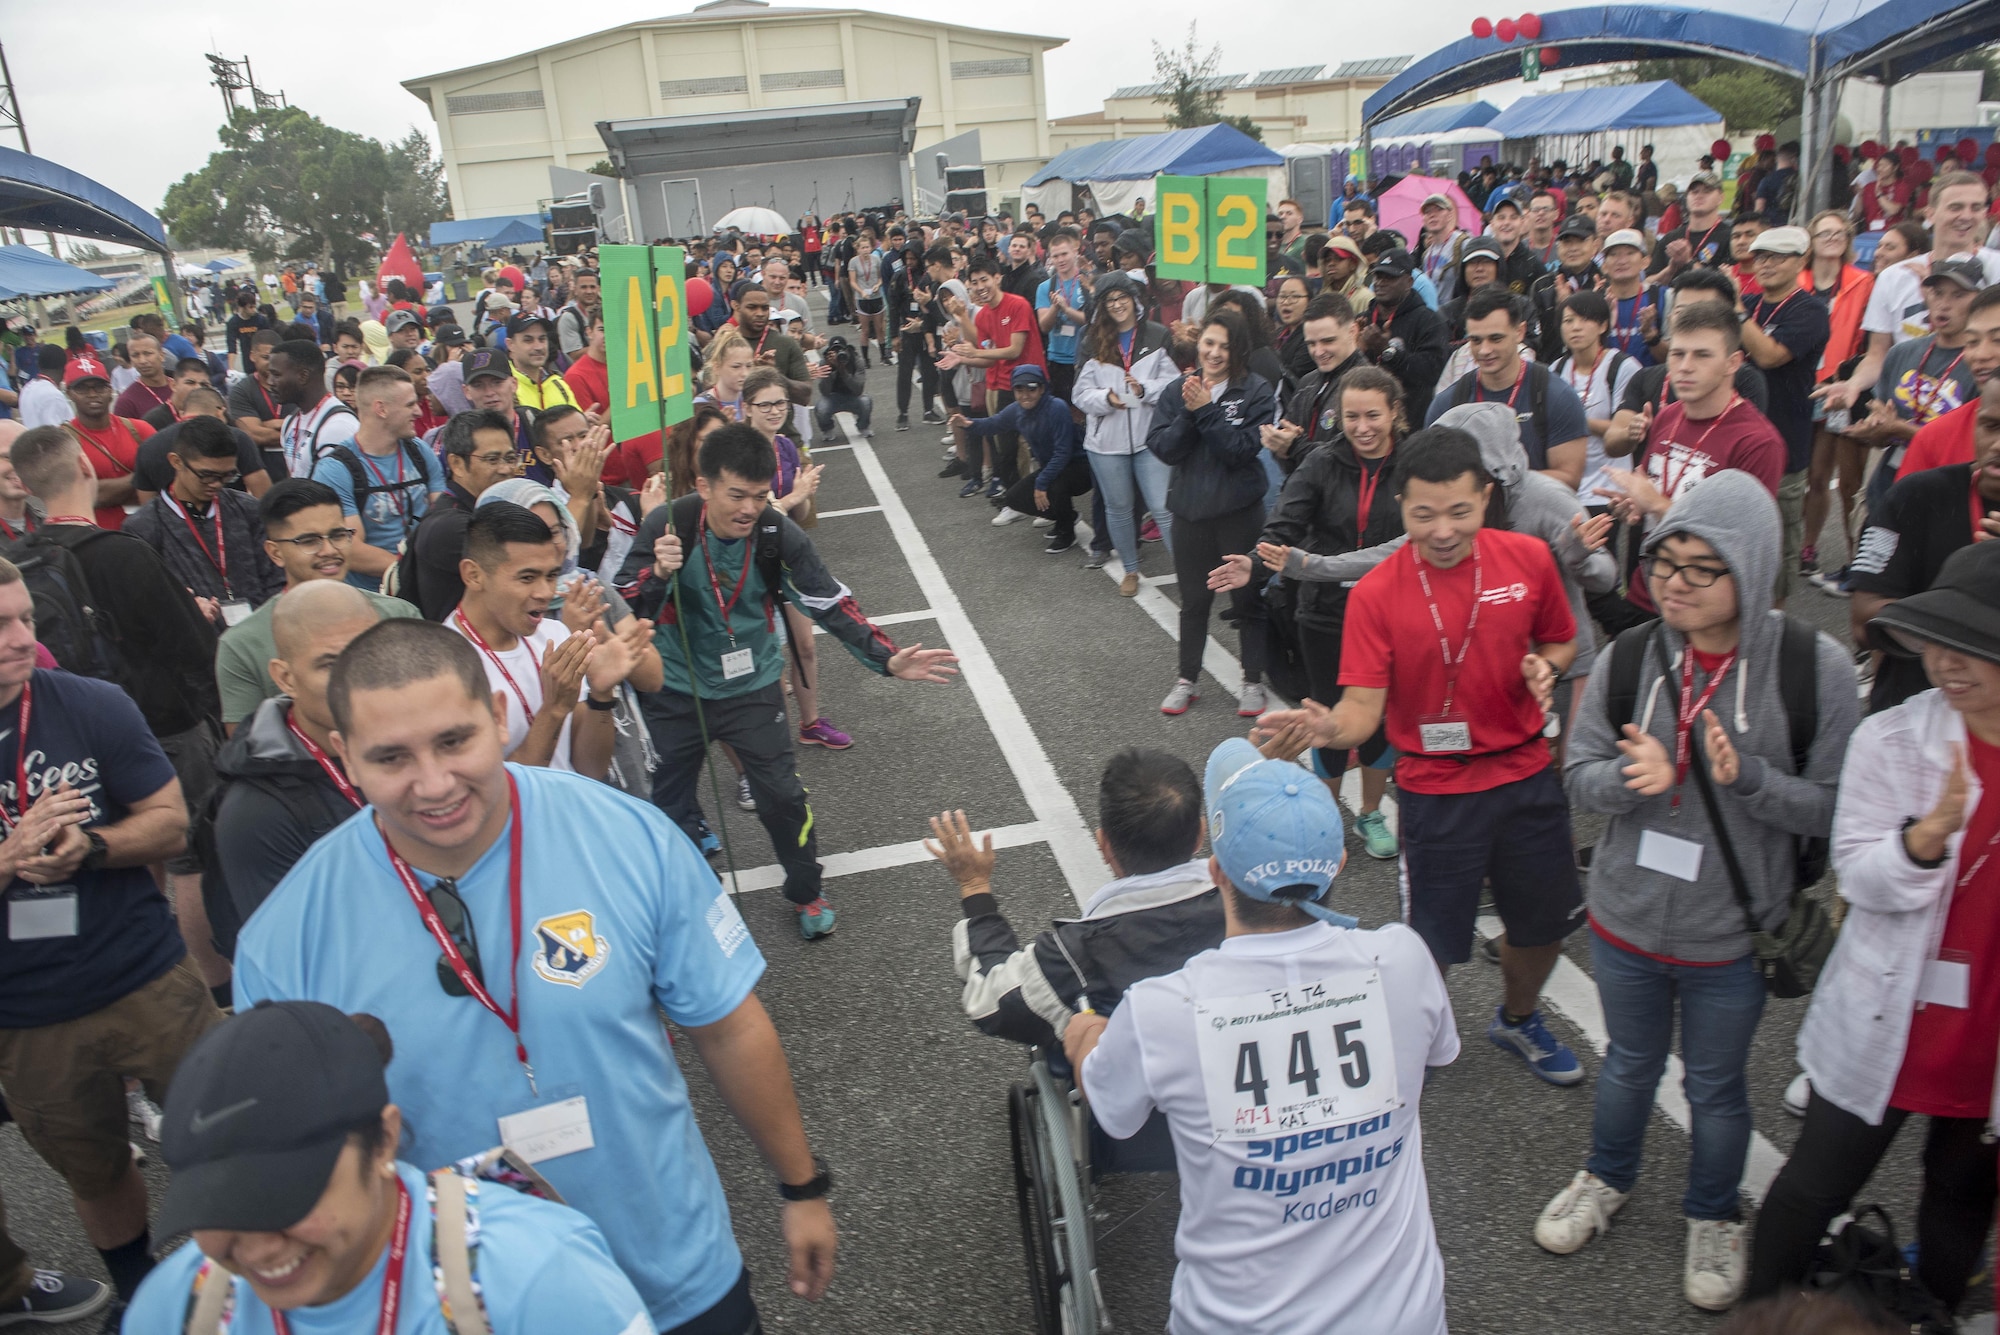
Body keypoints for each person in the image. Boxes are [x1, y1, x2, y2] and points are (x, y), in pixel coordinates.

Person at [230, 616, 836, 1332]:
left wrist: (802, 1184)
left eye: (455, 740)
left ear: (495, 715)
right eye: (392, 757)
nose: (433, 784)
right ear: (345, 755)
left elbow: (728, 1026)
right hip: (464, 1303)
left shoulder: (628, 834)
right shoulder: (288, 934)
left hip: (675, 1274)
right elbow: (295, 1149)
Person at [1539, 471, 1854, 1311]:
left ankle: (1713, 1213)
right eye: (1665, 560)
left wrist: (1748, 777)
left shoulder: (1809, 667)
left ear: (1749, 570)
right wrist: (1630, 782)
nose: (1673, 581)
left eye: (1700, 567)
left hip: (1734, 931)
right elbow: (1578, 774)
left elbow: (1833, 804)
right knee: (1629, 1064)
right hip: (1626, 917)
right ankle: (1605, 1177)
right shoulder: (1633, 654)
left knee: (1717, 1086)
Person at [1064, 736, 1458, 1335]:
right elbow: (1437, 1054)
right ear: (1339, 863)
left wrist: (1085, 1034)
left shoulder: (1162, 1011)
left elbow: (1112, 1110)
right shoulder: (1403, 961)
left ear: (1214, 870)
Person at [1256, 427, 1587, 1086]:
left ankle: (1518, 1018)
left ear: (1486, 499)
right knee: (1432, 937)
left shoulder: (1528, 559)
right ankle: (1419, 1032)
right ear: (1401, 505)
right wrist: (1326, 728)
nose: (1442, 530)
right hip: (1436, 786)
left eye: (1460, 512)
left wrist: (1545, 668)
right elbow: (1362, 711)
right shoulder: (1378, 593)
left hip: (1525, 773)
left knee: (1544, 922)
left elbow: (1561, 641)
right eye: (1423, 514)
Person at [1748, 539, 2000, 1317]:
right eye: (1935, 642)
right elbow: (1856, 873)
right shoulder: (1892, 737)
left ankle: (1930, 1312)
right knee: (1811, 1188)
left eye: (1974, 647)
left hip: (1985, 1028)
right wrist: (1927, 837)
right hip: (1891, 1016)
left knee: (1959, 1200)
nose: (1946, 663)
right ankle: (1764, 1318)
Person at [123, 1000, 654, 1335]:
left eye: (288, 1198)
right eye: (221, 1206)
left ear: (383, 1143)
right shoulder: (175, 1310)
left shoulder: (543, 1280)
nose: (258, 1248)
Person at [619, 425, 958, 937]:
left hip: (753, 686)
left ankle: (806, 891)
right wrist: (659, 575)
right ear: (703, 485)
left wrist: (886, 659)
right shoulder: (668, 525)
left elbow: (830, 600)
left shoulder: (777, 532)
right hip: (673, 689)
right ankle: (681, 899)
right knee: (666, 804)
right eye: (736, 495)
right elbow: (623, 609)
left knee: (782, 797)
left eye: (759, 496)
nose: (749, 509)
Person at [0, 553, 222, 1311]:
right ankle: (140, 1298)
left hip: (147, 977)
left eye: (26, 617)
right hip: (26, 1013)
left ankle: (247, 1282)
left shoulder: (91, 703)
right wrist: (11, 857)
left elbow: (167, 821)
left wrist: (93, 846)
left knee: (222, 1132)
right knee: (92, 1168)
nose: (21, 637)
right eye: (0, 624)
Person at [10, 424, 231, 996]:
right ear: (87, 466)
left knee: (110, 851)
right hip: (163, 728)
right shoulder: (125, 552)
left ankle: (122, 975)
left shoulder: (19, 560)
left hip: (63, 737)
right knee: (187, 858)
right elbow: (194, 651)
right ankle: (205, 986)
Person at [1213, 365, 1409, 859]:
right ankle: (1326, 818)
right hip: (1324, 612)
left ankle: (1368, 812)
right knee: (1327, 714)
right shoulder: (1321, 462)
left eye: (1373, 416)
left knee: (1380, 718)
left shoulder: (1413, 462)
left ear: (1395, 413)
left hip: (1392, 613)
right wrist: (1254, 563)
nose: (1362, 427)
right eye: (1351, 417)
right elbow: (1284, 525)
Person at [933, 748, 1223, 1044]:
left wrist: (974, 886)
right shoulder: (1251, 906)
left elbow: (988, 998)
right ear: (1201, 833)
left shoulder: (1074, 953)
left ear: (1103, 845)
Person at [1600, 301, 1788, 616]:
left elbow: (1741, 544)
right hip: (1647, 589)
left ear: (1733, 363)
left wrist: (1657, 505)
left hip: (1704, 609)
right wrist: (1632, 504)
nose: (1685, 366)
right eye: (1677, 353)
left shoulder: (1758, 442)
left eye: (1702, 355)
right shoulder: (1669, 415)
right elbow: (1654, 487)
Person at [448, 502, 656, 780]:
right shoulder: (444, 666)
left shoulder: (556, 634)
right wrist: (554, 709)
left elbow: (590, 770)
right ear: (473, 575)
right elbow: (499, 789)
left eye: (551, 575)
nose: (546, 592)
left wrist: (601, 695)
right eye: (527, 577)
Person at [1146, 310, 1279, 717]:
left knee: (1247, 598)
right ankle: (1187, 679)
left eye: (1224, 345)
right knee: (1194, 601)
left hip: (1238, 513)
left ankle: (1252, 680)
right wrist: (1190, 410)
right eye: (1209, 343)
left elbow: (1240, 453)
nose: (1215, 353)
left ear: (1238, 349)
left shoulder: (1255, 391)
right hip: (1189, 512)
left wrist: (1206, 410)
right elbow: (1164, 448)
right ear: (1198, 344)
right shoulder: (1177, 390)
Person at [215, 480, 420, 730]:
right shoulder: (242, 644)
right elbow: (248, 749)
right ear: (275, 553)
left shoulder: (399, 615)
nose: (329, 550)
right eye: (309, 541)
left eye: (338, 535)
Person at [1850, 375, 2000, 714]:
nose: (1997, 445)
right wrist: (1975, 583)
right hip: (1911, 715)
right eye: (1990, 426)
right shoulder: (1914, 496)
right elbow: (1864, 623)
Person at [1735, 226, 1831, 601]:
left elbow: (1769, 355)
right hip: (1737, 440)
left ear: (1801, 261)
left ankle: (1772, 619)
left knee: (1777, 543)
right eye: (1760, 256)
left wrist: (1736, 314)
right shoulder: (1749, 302)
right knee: (1737, 535)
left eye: (1777, 256)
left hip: (1785, 445)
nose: (1766, 264)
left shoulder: (1811, 310)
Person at [1071, 274, 1176, 593]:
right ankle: (1130, 569)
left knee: (1162, 507)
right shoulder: (1091, 340)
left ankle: (1184, 569)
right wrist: (1106, 400)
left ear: (1135, 299)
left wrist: (1144, 389)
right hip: (1106, 443)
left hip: (1150, 439)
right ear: (1102, 305)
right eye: (1109, 300)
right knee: (1118, 507)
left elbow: (1173, 384)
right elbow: (1079, 393)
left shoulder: (1158, 335)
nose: (1117, 305)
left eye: (1122, 297)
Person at [122, 414, 283, 621]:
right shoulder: (144, 528)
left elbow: (276, 578)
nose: (216, 484)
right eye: (207, 475)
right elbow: (144, 605)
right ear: (176, 462)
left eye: (227, 476)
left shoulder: (250, 511)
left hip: (257, 636)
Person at [1425, 287, 1591, 488]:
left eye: (1496, 338)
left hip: (1535, 516)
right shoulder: (1448, 402)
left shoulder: (1556, 395)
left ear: (1519, 332)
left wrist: (1500, 486)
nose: (1485, 350)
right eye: (1475, 340)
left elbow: (1569, 478)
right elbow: (1431, 476)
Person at [308, 366, 445, 594]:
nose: (419, 412)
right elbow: (349, 549)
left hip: (425, 586)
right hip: (371, 597)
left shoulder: (420, 451)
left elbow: (442, 513)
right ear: (381, 409)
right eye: (410, 404)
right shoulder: (335, 469)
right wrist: (409, 570)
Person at [1802, 211, 1878, 592]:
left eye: (1838, 233)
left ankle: (1853, 560)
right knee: (1805, 475)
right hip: (1800, 385)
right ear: (1810, 240)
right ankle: (1804, 547)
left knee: (1837, 478)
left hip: (1841, 388)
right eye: (1823, 232)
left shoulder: (1864, 282)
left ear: (1848, 240)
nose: (1831, 238)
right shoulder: (1797, 280)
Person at [941, 255, 1046, 498]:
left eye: (984, 280)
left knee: (1038, 447)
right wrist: (962, 354)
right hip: (1003, 386)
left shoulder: (1018, 304)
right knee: (1006, 447)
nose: (980, 287)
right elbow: (985, 349)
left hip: (1031, 385)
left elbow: (1014, 349)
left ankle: (1043, 498)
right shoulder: (986, 314)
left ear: (997, 278)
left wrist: (974, 352)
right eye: (974, 282)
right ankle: (1016, 498)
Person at [958, 364, 1091, 554]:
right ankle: (1067, 516)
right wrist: (968, 424)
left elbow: (1063, 453)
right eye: (1019, 389)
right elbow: (993, 424)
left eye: (1031, 389)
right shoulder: (1016, 410)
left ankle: (1066, 533)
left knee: (1055, 484)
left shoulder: (1057, 408)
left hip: (1081, 467)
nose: (1025, 395)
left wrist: (1041, 484)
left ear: (1042, 388)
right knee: (1014, 498)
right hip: (1054, 466)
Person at [1550, 290, 1644, 512]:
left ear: (1603, 326)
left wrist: (1578, 419)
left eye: (1584, 319)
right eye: (1568, 321)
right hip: (1568, 490)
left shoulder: (1622, 366)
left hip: (1610, 491)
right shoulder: (1555, 369)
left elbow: (1625, 428)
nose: (1575, 327)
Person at [61, 354, 148, 530]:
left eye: (99, 387)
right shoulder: (63, 441)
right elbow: (89, 495)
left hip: (148, 532)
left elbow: (166, 478)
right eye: (83, 389)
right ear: (70, 393)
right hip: (99, 537)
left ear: (110, 390)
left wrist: (109, 491)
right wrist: (144, 480)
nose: (92, 394)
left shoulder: (139, 429)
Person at [1360, 248, 1450, 417]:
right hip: (1365, 416)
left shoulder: (1429, 320)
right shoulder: (1362, 320)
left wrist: (1387, 351)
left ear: (1409, 282)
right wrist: (1357, 349)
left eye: (1390, 278)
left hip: (1409, 420)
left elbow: (1433, 371)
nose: (1380, 283)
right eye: (1378, 276)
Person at [269, 340, 358, 481]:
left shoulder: (338, 426)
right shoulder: (290, 422)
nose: (270, 382)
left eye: (276, 375)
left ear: (303, 376)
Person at [1530, 214, 1604, 361]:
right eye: (1567, 242)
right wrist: (1560, 310)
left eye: (1580, 241)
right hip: (1553, 366)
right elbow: (1537, 338)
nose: (1573, 248)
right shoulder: (1542, 286)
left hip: (1598, 365)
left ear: (1595, 245)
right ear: (1558, 247)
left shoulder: (1605, 283)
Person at [1035, 228, 1091, 406]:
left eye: (1064, 254)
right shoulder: (1045, 287)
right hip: (1057, 360)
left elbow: (1093, 321)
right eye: (1055, 256)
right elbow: (1044, 326)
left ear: (1075, 251)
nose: (1060, 260)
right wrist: (1054, 308)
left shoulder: (1088, 282)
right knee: (1062, 412)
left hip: (1085, 358)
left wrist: (1066, 310)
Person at [1649, 171, 1734, 278]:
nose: (1699, 196)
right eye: (1694, 192)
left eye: (1707, 191)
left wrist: (1688, 261)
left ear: (1720, 198)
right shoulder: (1671, 238)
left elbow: (1726, 283)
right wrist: (1670, 269)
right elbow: (1647, 282)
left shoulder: (1730, 237)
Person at [508, 314, 579, 414]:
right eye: (528, 340)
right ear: (510, 344)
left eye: (542, 339)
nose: (538, 347)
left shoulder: (559, 384)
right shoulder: (503, 387)